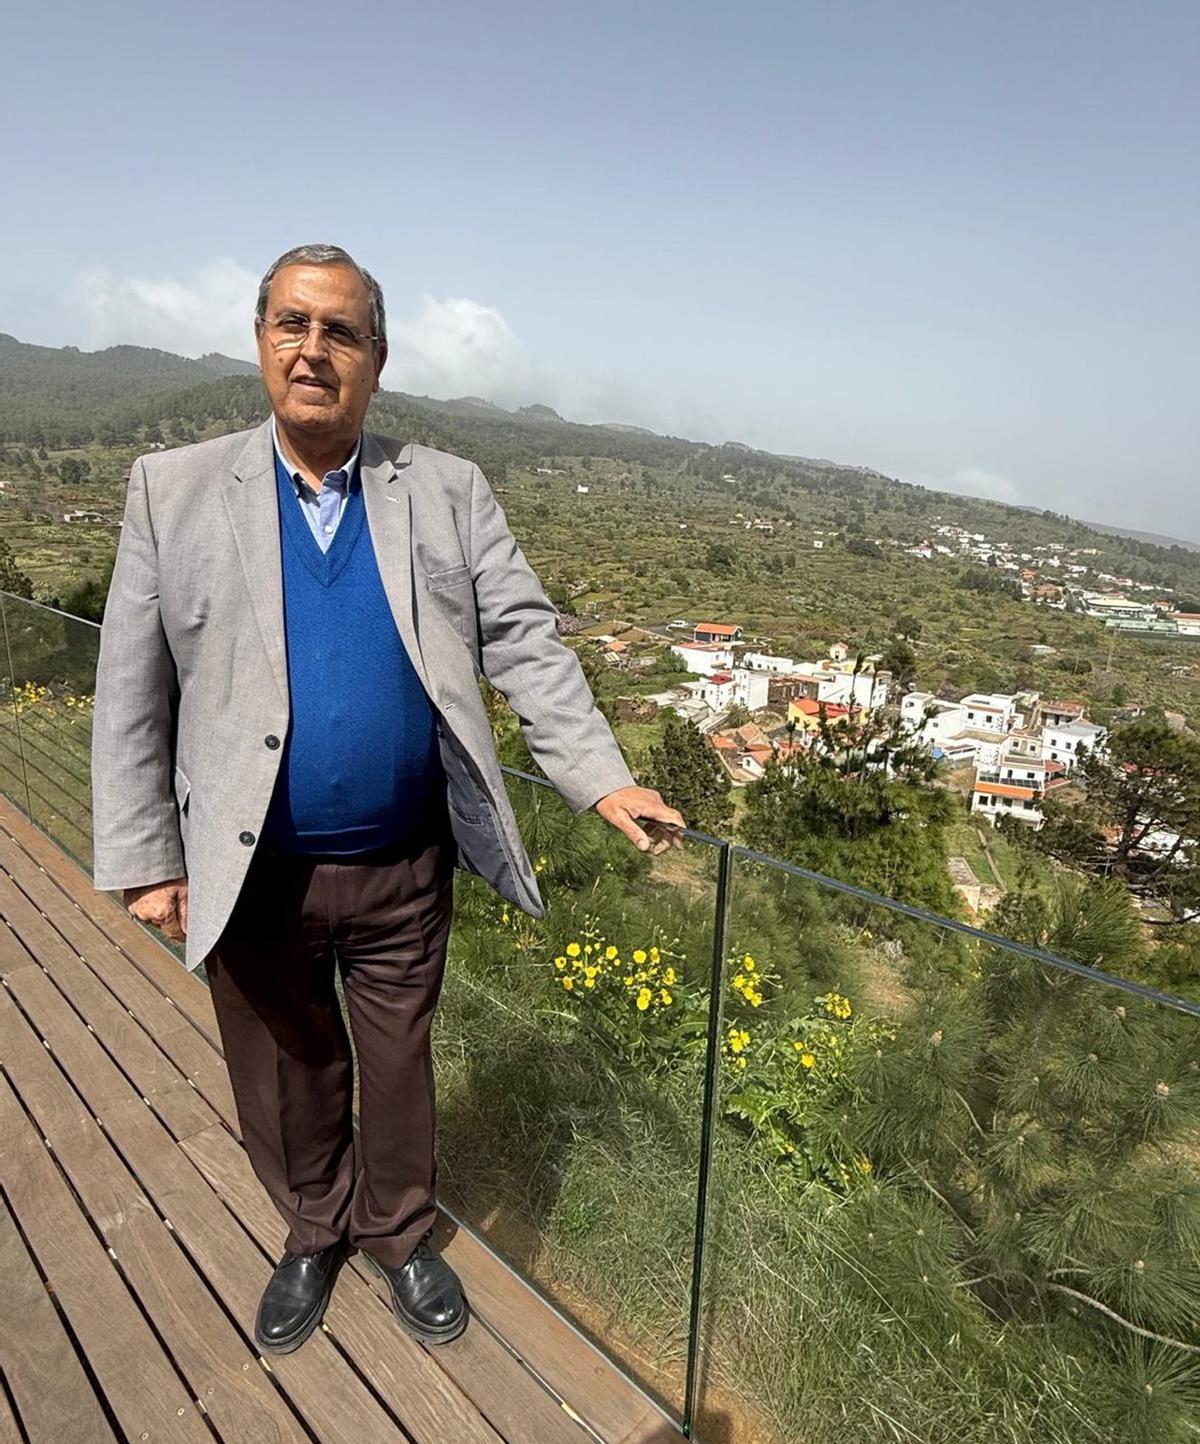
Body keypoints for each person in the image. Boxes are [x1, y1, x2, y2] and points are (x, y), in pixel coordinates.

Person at [90, 242, 685, 1355]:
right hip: (251, 860)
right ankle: (312, 1229)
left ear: (378, 357)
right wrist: (145, 853)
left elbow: (523, 639)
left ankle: (401, 1236)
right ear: (262, 339)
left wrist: (599, 774)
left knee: (399, 1064)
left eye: (341, 332)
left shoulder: (449, 491)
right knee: (285, 1066)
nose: (313, 350)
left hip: (404, 865)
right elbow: (130, 683)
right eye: (292, 325)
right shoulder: (170, 490)